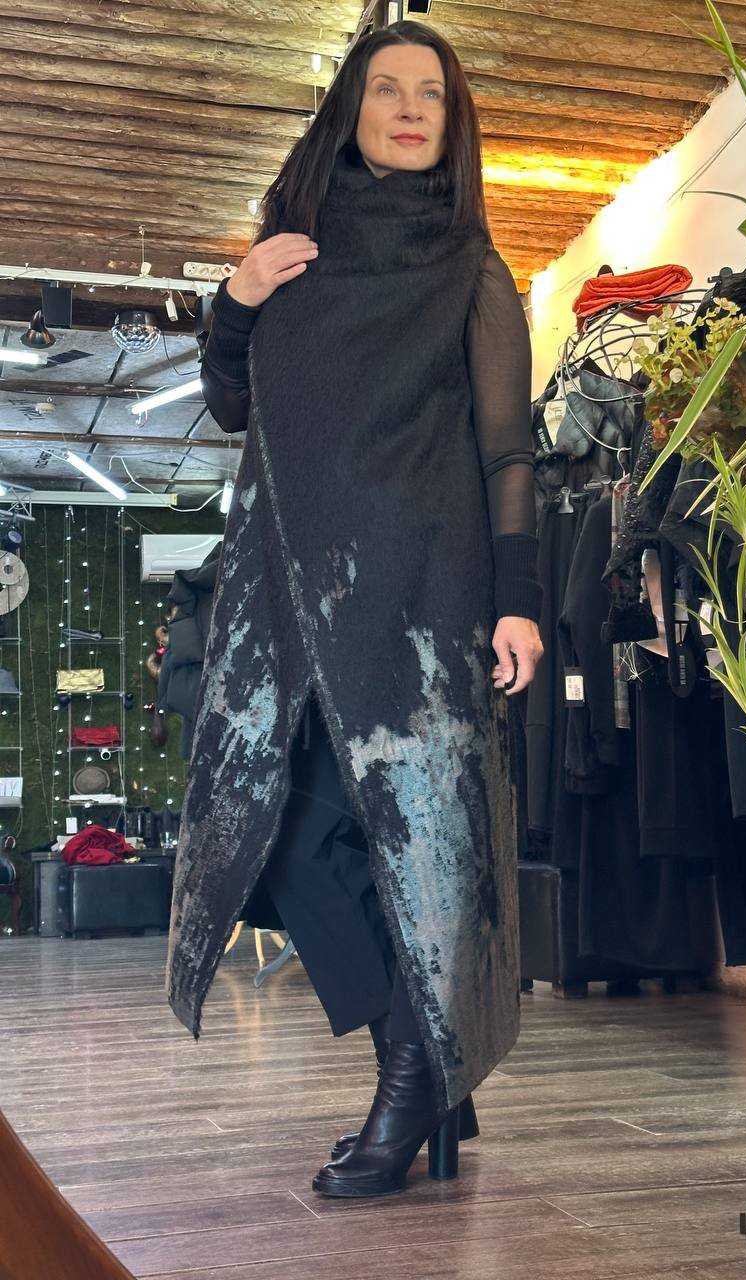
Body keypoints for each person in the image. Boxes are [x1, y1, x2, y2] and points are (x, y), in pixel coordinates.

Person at [164, 19, 544, 1200]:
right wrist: (236, 299)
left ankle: (413, 1079)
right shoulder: (294, 255)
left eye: (433, 93)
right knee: (283, 836)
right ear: (351, 109)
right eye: (388, 89)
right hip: (294, 609)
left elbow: (507, 452)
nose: (411, 108)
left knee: (422, 854)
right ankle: (422, 1060)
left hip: (424, 607)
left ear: (454, 121)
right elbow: (235, 405)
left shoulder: (472, 273)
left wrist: (521, 604)